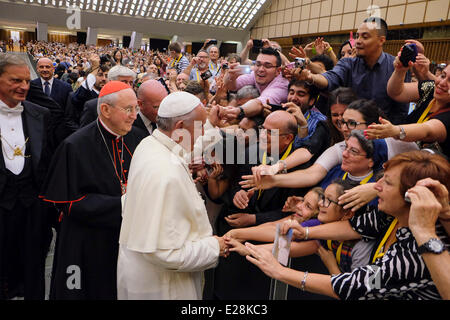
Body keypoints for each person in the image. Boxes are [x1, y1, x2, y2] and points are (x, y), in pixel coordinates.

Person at [246, 150, 450, 300]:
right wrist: (306, 231)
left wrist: (280, 272)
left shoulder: (417, 251)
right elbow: (354, 227)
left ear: (412, 196)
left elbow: (355, 285)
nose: (375, 188)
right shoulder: (389, 217)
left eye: (386, 183)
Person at [41, 81, 146, 299]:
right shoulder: (75, 145)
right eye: (128, 109)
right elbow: (66, 202)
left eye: (136, 108)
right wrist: (120, 204)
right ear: (106, 110)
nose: (134, 115)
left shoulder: (138, 138)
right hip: (86, 242)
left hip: (127, 237)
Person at [117, 91, 228, 300]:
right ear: (179, 129)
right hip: (164, 287)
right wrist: (215, 247)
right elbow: (165, 252)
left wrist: (211, 125)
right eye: (201, 126)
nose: (203, 132)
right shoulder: (165, 173)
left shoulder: (151, 144)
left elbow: (184, 152)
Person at [0, 53, 53, 300]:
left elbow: (48, 160)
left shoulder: (40, 114)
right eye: (15, 80)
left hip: (33, 210)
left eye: (26, 81)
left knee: (34, 270)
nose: (23, 87)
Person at [293, 17, 410, 124]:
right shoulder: (347, 63)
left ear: (381, 40)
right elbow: (330, 77)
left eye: (365, 37)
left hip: (384, 134)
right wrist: (310, 77)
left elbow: (401, 110)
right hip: (349, 131)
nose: (358, 41)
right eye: (357, 36)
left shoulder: (397, 67)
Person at [372, 62, 450, 158]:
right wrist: (400, 70)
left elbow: (427, 130)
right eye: (442, 76)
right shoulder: (431, 87)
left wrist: (395, 131)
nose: (442, 83)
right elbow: (396, 92)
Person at [407, 178, 450, 299]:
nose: (376, 186)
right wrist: (446, 212)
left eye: (388, 182)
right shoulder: (381, 220)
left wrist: (424, 231)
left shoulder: (409, 258)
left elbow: (369, 283)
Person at [222, 47, 289, 121]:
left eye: (267, 66)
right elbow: (233, 86)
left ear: (278, 71)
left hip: (277, 128)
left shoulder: (282, 85)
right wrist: (231, 77)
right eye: (258, 64)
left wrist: (237, 111)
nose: (261, 69)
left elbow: (259, 103)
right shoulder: (254, 74)